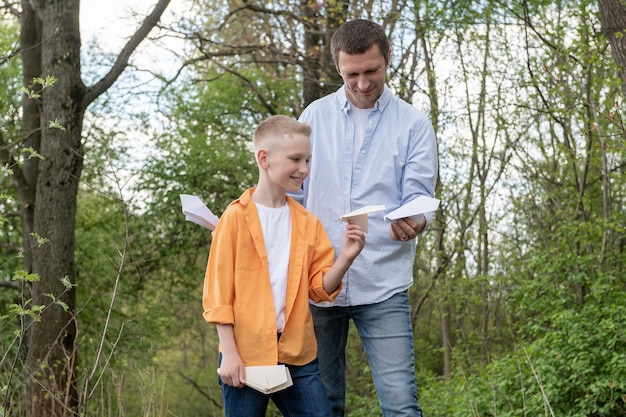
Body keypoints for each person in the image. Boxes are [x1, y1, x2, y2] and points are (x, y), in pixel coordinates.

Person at [296, 19, 438, 417]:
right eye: (351, 74)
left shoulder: (413, 123)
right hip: (319, 282)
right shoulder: (312, 117)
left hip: (384, 282)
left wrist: (416, 220)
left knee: (401, 406)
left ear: (387, 59)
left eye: (371, 71)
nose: (362, 83)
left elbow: (419, 195)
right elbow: (293, 194)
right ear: (339, 69)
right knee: (322, 408)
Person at [202, 115, 366, 417]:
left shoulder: (308, 223)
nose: (304, 169)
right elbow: (218, 294)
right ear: (264, 158)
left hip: (298, 355)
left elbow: (319, 289)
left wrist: (346, 258)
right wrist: (229, 353)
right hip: (245, 356)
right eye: (296, 159)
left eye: (307, 160)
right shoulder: (234, 219)